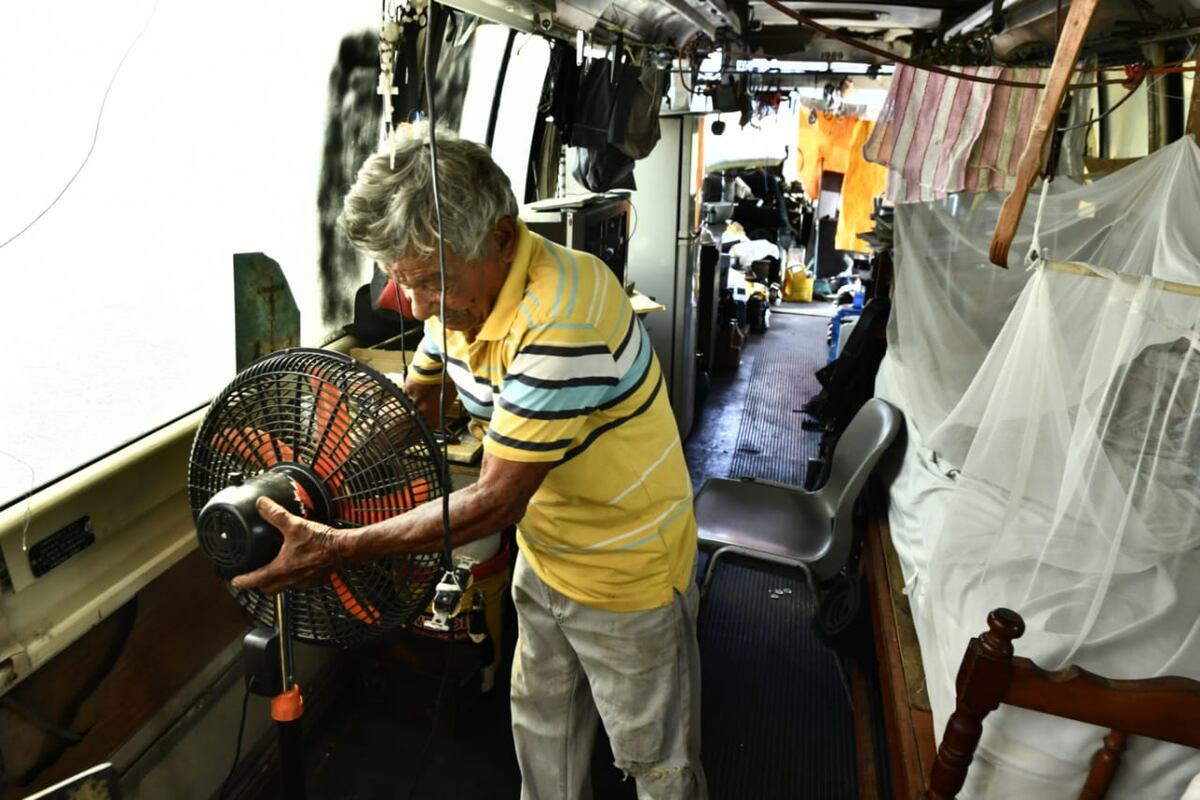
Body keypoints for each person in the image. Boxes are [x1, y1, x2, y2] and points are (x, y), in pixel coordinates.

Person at [231, 123, 707, 800]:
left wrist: (339, 548)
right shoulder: (454, 298)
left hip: (626, 570)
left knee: (655, 762)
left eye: (429, 282)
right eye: (402, 280)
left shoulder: (562, 316)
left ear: (501, 238)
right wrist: (318, 478)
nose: (418, 305)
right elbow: (414, 406)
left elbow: (494, 501)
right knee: (543, 734)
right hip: (546, 556)